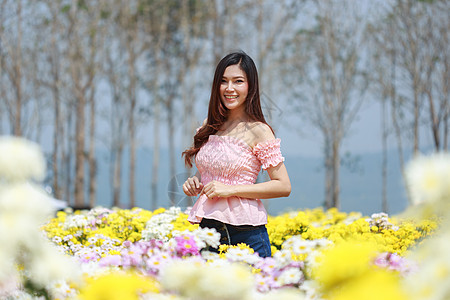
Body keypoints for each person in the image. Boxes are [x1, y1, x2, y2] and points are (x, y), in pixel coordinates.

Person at [182, 51, 291, 258]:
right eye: (223, 82)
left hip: (246, 234)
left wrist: (229, 190)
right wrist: (194, 182)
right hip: (208, 230)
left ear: (250, 86)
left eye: (238, 81)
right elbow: (209, 172)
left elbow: (283, 185)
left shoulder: (259, 131)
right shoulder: (210, 126)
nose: (229, 89)